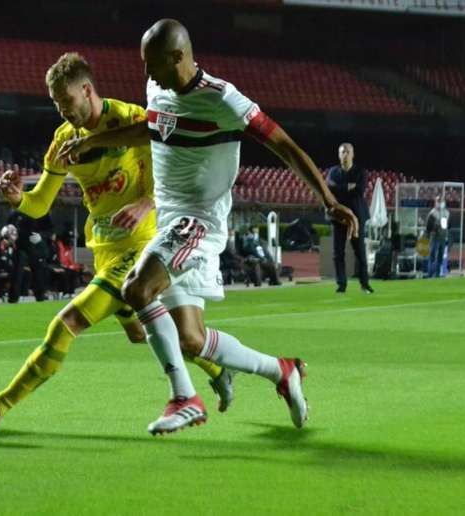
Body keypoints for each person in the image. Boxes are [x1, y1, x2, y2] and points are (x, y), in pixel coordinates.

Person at [59, 19, 358, 434]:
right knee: (190, 340)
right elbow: (152, 126)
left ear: (179, 57)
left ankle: (185, 397)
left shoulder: (223, 100)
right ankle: (282, 371)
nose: (146, 75)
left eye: (153, 64)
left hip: (198, 221)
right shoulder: (158, 88)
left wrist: (329, 199)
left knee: (136, 290)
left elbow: (285, 145)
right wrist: (94, 142)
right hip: (169, 219)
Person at [0, 52, 231, 420]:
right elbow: (40, 205)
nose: (62, 110)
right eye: (55, 103)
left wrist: (147, 203)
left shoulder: (131, 120)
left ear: (87, 90)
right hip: (106, 249)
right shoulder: (62, 141)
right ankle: (218, 369)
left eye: (66, 101)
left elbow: (179, 166)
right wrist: (19, 199)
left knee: (65, 325)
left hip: (141, 247)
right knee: (142, 334)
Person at [326, 143, 372, 293]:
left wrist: (340, 188)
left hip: (357, 217)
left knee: (360, 252)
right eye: (342, 152)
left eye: (347, 152)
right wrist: (348, 187)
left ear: (353, 154)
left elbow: (359, 190)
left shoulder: (361, 171)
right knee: (337, 253)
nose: (344, 154)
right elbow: (329, 188)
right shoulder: (333, 171)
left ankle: (364, 284)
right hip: (339, 217)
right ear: (339, 155)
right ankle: (341, 285)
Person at [425, 195, 450, 278]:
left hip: (442, 235)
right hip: (434, 235)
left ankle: (438, 273)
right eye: (439, 201)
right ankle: (430, 273)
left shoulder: (446, 213)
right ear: (436, 202)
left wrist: (445, 228)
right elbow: (428, 226)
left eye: (441, 201)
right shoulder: (432, 213)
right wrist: (433, 230)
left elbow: (449, 225)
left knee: (440, 254)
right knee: (432, 253)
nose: (440, 203)